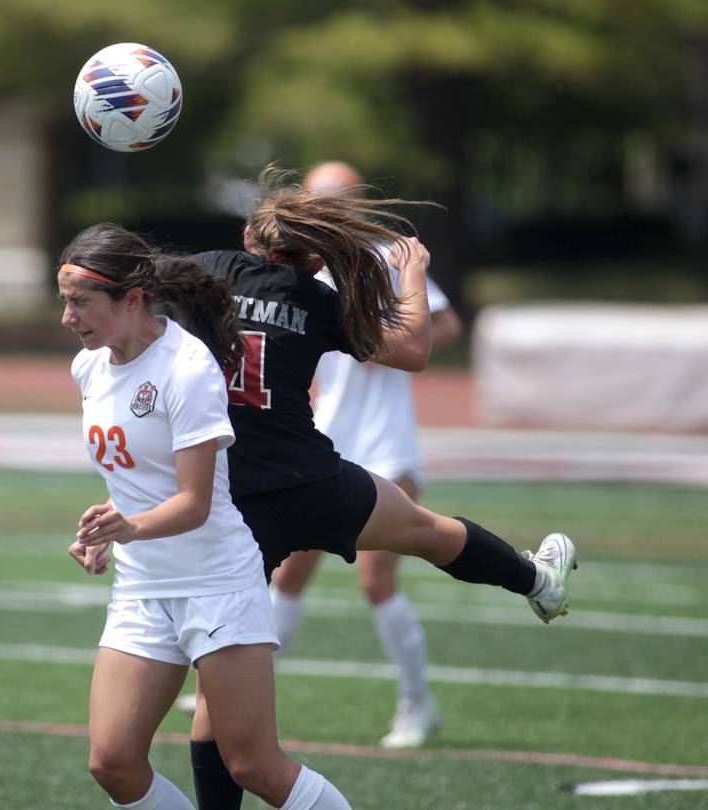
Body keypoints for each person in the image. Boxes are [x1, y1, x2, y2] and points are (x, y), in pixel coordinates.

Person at [163, 167, 577, 810]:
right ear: (317, 254)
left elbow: (135, 283)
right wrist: (411, 270)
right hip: (315, 478)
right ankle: (536, 581)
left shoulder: (212, 270)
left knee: (220, 700)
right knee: (425, 531)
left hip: (239, 502)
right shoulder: (318, 298)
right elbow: (413, 349)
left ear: (249, 237)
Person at [59, 221, 353, 810]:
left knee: (255, 766)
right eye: (64, 301)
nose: (68, 318)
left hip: (216, 583)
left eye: (80, 302)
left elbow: (195, 502)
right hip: (144, 586)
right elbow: (142, 476)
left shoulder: (186, 367)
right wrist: (104, 524)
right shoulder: (89, 368)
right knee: (112, 761)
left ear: (132, 297)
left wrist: (129, 528)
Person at [270, 160, 462, 749]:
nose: (326, 209)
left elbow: (446, 325)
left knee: (377, 579)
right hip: (326, 437)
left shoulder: (386, 257)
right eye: (317, 199)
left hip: (387, 440)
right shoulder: (305, 266)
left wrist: (378, 341)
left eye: (336, 199)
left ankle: (418, 703)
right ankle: (238, 687)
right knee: (287, 572)